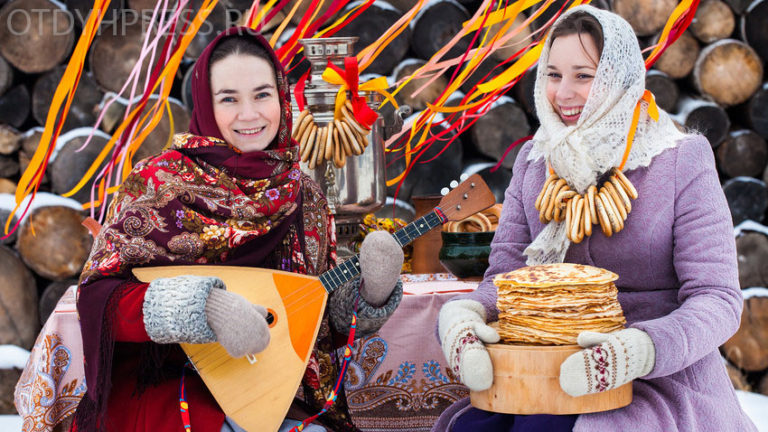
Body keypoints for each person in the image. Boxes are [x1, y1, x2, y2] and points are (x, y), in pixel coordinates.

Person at [433, 5, 757, 432]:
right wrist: (468, 312)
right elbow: (508, 277)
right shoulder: (536, 160)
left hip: (656, 377)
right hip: (544, 365)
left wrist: (642, 348)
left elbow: (717, 299)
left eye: (583, 76)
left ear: (617, 78)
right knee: (470, 428)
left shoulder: (679, 159)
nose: (563, 93)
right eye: (553, 74)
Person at [71, 27, 404, 432]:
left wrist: (369, 296)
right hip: (172, 394)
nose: (249, 114)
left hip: (269, 392)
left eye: (262, 95)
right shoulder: (159, 181)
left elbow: (304, 324)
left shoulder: (305, 194)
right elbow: (99, 298)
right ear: (207, 106)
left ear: (281, 97)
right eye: (229, 99)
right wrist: (202, 308)